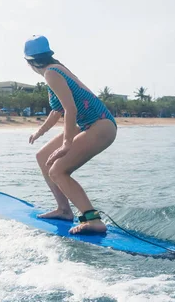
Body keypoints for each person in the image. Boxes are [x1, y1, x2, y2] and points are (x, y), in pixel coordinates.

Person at [25, 35, 117, 235]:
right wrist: (40, 131)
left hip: (100, 126)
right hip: (91, 125)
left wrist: (67, 143)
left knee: (57, 170)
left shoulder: (51, 73)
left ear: (30, 62)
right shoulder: (56, 70)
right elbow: (58, 110)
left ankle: (92, 220)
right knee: (42, 157)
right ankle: (64, 210)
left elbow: (70, 109)